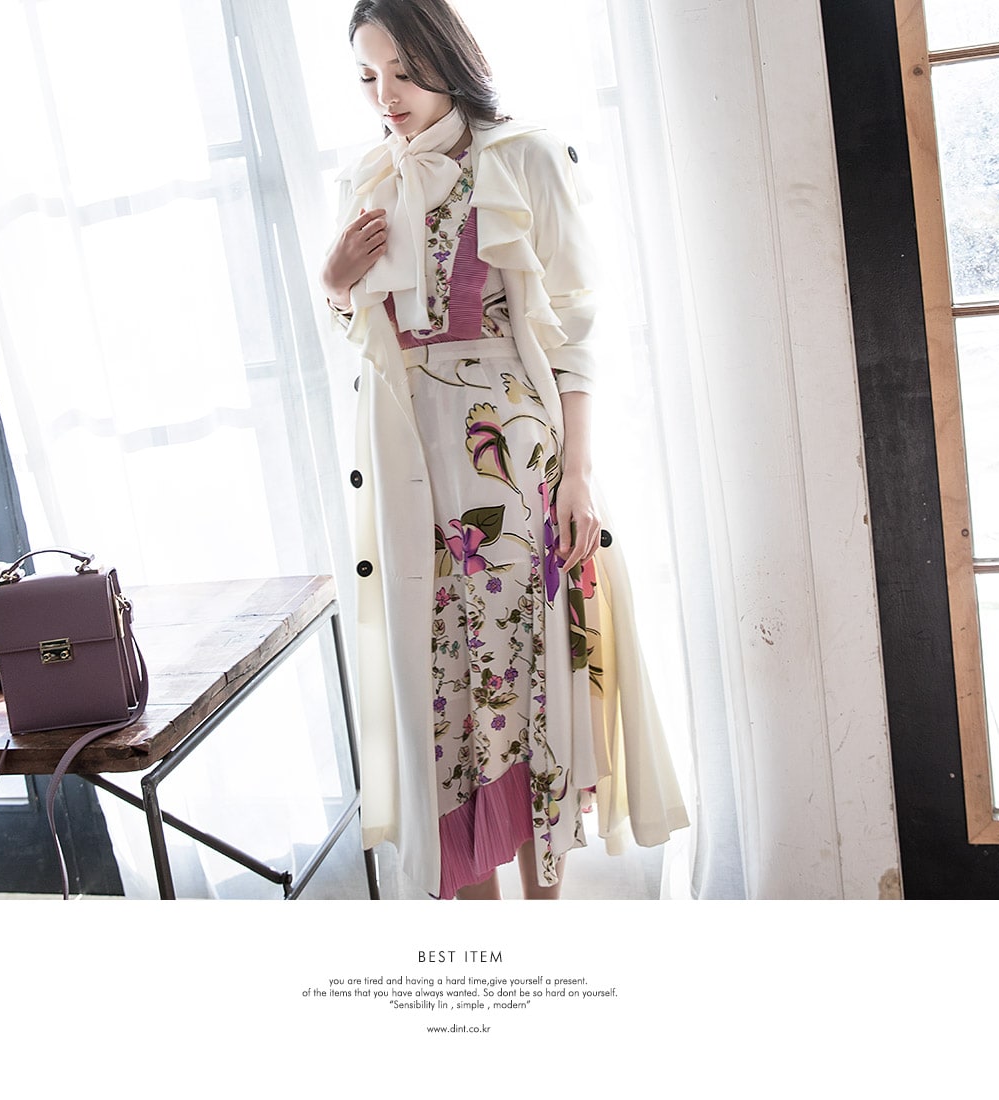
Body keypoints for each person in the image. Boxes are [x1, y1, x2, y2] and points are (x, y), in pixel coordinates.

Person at [323, 0, 687, 900]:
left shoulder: (525, 155)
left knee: (527, 674)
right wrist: (334, 284)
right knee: (438, 687)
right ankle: (480, 926)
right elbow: (371, 336)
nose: (386, 95)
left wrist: (579, 475)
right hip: (409, 464)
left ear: (447, 59)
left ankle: (544, 925)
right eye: (368, 76)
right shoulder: (369, 178)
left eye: (403, 71)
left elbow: (574, 330)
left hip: (511, 462)